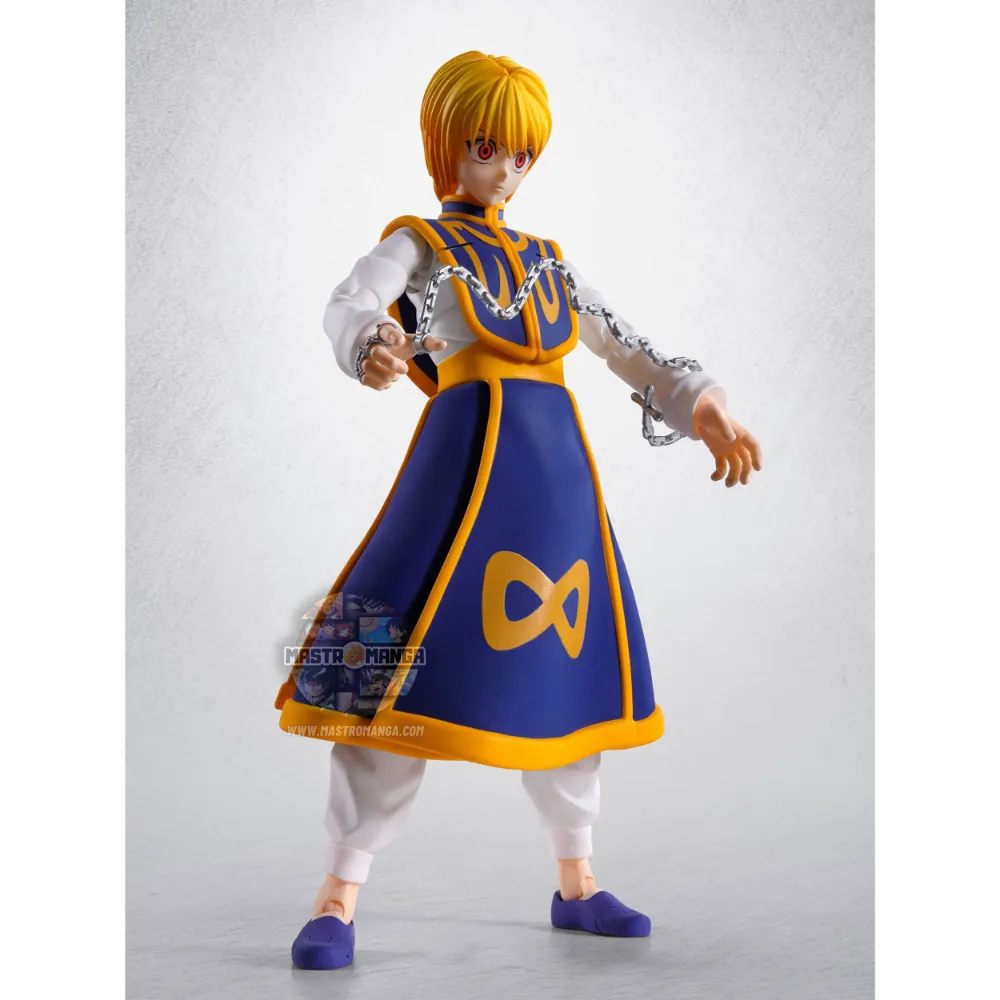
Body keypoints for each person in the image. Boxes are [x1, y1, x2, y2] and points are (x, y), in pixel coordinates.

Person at [275, 50, 763, 970]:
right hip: (459, 482)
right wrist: (374, 341)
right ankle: (338, 893)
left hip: (555, 495)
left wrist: (699, 404)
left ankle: (577, 882)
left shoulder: (549, 263)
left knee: (565, 678)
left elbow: (628, 349)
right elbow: (352, 300)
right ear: (449, 145)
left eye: (522, 153)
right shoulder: (421, 244)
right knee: (396, 671)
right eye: (488, 146)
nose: (506, 168)